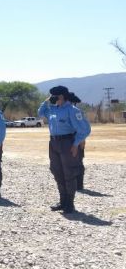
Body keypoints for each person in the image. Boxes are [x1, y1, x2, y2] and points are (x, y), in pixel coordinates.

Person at [38, 86, 91, 214]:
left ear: (61, 96)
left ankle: (69, 204)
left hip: (67, 143)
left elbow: (85, 129)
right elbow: (40, 113)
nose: (53, 98)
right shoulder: (52, 110)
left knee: (69, 173)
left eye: (54, 96)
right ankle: (62, 201)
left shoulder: (72, 110)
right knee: (57, 171)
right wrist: (45, 101)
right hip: (54, 143)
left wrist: (76, 144)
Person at [69, 93, 87, 191]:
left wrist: (82, 141)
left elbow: (82, 129)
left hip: (77, 140)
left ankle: (79, 184)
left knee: (78, 162)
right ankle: (74, 184)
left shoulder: (77, 112)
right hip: (70, 140)